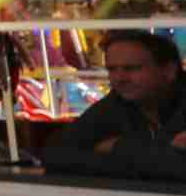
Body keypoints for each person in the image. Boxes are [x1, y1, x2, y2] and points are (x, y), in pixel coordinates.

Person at [39, 31, 186, 182]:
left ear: (169, 71)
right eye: (111, 69)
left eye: (132, 68)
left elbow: (179, 169)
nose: (119, 78)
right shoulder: (119, 101)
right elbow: (55, 154)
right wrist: (148, 154)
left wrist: (116, 147)